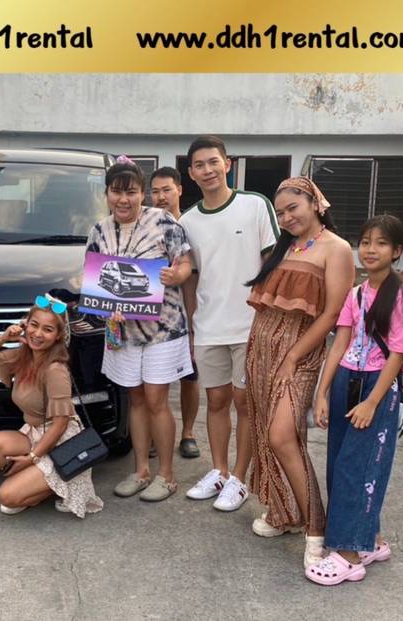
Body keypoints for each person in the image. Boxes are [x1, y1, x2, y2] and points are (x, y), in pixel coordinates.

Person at [244, 177, 355, 568]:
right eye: (280, 213)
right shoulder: (286, 246)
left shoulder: (337, 248)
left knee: (282, 435)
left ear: (315, 202)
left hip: (300, 353)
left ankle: (315, 526)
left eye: (293, 208)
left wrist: (292, 356)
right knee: (266, 434)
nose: (286, 218)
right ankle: (284, 512)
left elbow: (332, 313)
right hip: (261, 348)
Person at [306, 215, 403, 585]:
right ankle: (371, 539)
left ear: (397, 251)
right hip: (346, 381)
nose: (371, 249)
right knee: (341, 463)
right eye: (366, 241)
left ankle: (350, 555)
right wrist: (322, 392)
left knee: (359, 466)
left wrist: (372, 402)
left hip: (377, 385)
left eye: (381, 243)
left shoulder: (400, 295)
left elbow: (399, 352)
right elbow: (340, 342)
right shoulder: (356, 293)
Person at [179, 135, 279, 512]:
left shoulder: (255, 205)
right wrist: (193, 326)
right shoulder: (187, 221)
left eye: (213, 162)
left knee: (244, 403)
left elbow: (273, 264)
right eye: (199, 165)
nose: (208, 170)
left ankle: (239, 477)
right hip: (208, 325)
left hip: (250, 325)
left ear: (227, 164)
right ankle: (219, 470)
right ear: (191, 173)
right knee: (216, 400)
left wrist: (267, 320)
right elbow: (191, 279)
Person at [87, 157, 192, 502]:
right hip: (122, 332)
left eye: (130, 192)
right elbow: (94, 279)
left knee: (156, 399)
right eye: (116, 192)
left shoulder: (163, 221)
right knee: (135, 399)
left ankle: (167, 475)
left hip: (163, 328)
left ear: (141, 193)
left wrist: (176, 275)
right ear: (106, 194)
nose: (123, 199)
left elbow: (185, 262)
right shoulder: (99, 231)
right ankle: (141, 471)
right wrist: (105, 306)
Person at [0, 293, 104, 518]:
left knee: (7, 498)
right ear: (25, 325)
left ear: (58, 336)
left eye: (48, 329)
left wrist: (32, 457)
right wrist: (4, 337)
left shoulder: (55, 370)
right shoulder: (21, 357)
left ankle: (59, 481)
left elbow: (60, 425)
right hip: (34, 433)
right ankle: (41, 481)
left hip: (63, 443)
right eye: (34, 325)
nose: (38, 334)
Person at [150, 166, 201, 458]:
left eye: (166, 190)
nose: (160, 197)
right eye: (155, 191)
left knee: (190, 376)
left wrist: (194, 321)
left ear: (179, 190)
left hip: (192, 312)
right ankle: (156, 434)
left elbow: (195, 276)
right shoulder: (146, 225)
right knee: (155, 381)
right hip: (156, 320)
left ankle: (188, 433)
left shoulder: (193, 225)